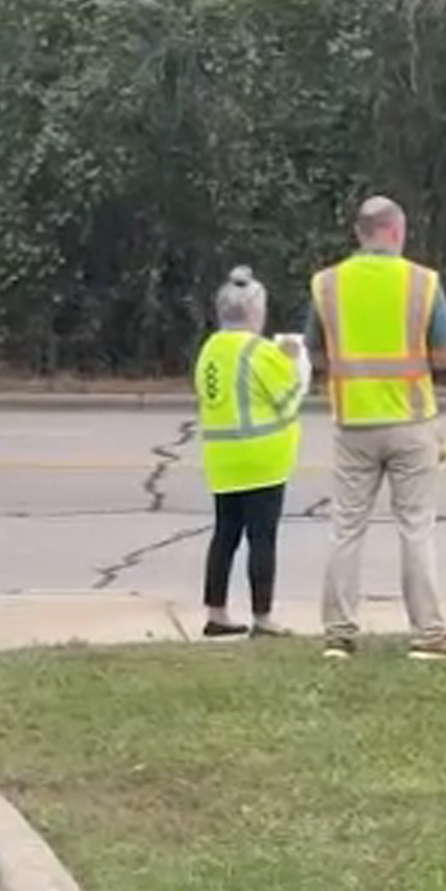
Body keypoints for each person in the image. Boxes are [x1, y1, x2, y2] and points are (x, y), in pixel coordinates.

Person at [304, 195, 446, 660]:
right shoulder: (422, 282)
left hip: (353, 419)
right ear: (397, 231)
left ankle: (338, 635)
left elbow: (315, 352)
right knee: (415, 527)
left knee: (346, 526)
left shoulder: (327, 284)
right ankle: (428, 635)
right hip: (412, 420)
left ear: (360, 233)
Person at [192, 266, 308, 639]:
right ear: (255, 311)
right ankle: (262, 617)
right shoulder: (260, 351)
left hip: (222, 458)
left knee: (224, 534)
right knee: (262, 538)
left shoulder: (210, 349)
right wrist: (295, 361)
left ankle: (216, 611)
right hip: (262, 458)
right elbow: (291, 396)